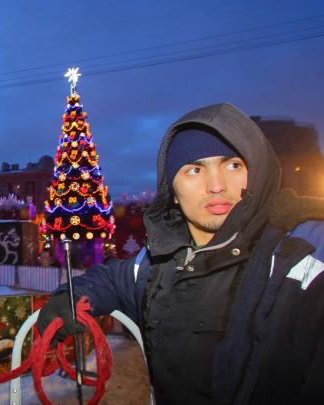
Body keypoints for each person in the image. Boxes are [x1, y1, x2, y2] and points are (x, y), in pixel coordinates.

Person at [36, 103, 324, 404]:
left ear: (256, 173)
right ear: (172, 189)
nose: (216, 185)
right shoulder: (153, 268)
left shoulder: (300, 277)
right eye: (195, 169)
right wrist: (68, 298)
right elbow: (109, 278)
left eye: (233, 165)